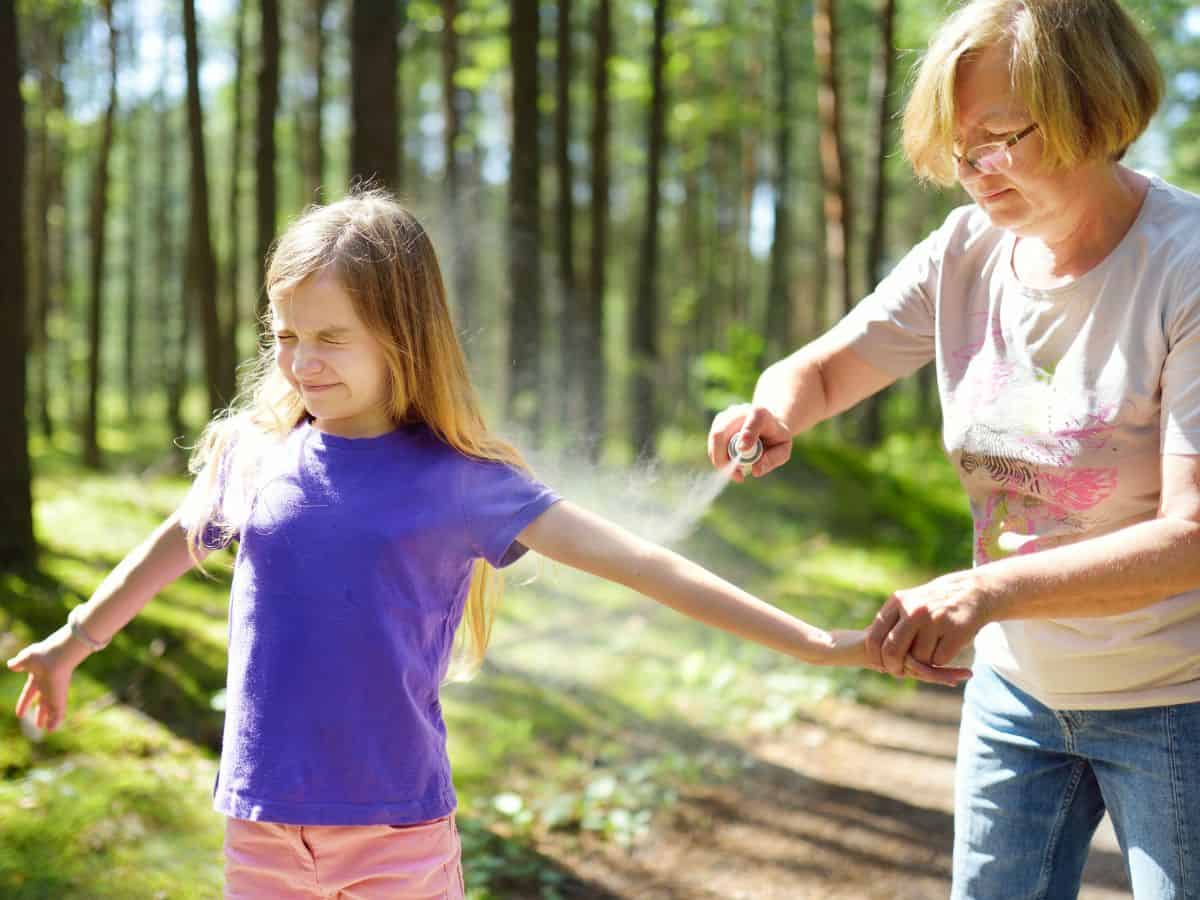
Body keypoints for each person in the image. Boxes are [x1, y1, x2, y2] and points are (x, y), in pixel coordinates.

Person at [6, 191, 966, 899]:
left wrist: (815, 642)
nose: (302, 361)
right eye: (288, 335)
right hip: (258, 831)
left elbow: (645, 564)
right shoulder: (253, 459)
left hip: (397, 841)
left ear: (403, 335)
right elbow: (177, 540)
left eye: (331, 337)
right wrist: (72, 642)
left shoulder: (462, 483)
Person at [709, 0, 1200, 896]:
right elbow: (818, 374)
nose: (972, 171)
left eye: (997, 136)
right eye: (956, 146)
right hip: (1015, 694)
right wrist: (770, 411)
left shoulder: (1186, 268)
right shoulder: (968, 249)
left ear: (1094, 106)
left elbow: (1193, 536)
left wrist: (985, 591)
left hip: (1178, 698)